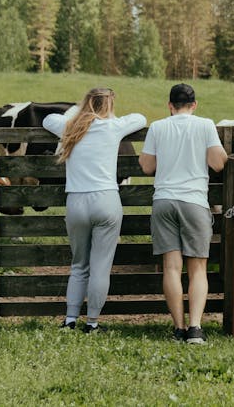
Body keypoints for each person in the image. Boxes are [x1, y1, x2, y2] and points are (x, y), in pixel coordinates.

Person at [42, 87, 146, 334]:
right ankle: (92, 323)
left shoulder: (70, 127)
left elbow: (47, 119)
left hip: (76, 201)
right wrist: (109, 116)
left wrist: (79, 114)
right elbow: (141, 118)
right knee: (100, 267)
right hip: (106, 200)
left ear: (87, 103)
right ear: (109, 105)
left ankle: (69, 320)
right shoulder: (114, 126)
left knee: (79, 265)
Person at [139, 83, 227, 344]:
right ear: (194, 105)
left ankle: (177, 328)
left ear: (169, 105)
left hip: (164, 200)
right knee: (198, 268)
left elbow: (146, 166)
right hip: (194, 201)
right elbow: (218, 163)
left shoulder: (157, 127)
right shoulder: (205, 125)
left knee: (171, 267)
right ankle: (195, 329)